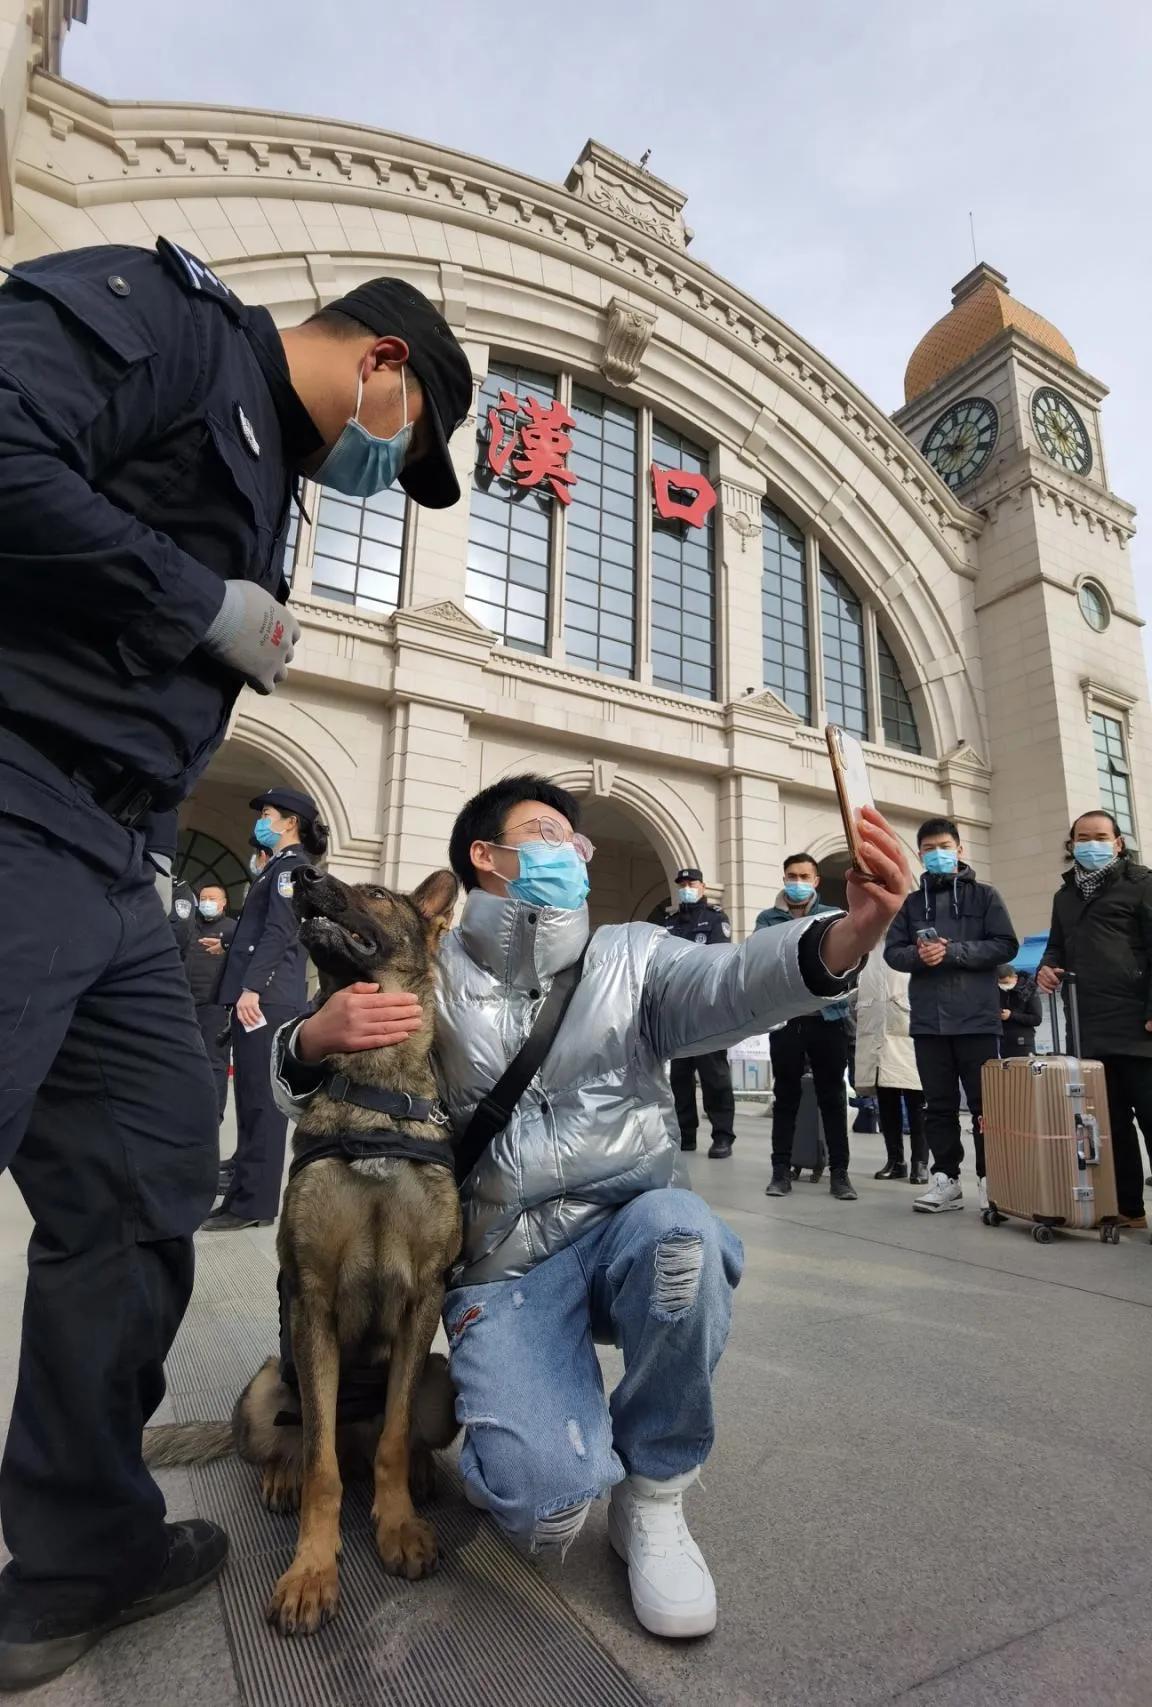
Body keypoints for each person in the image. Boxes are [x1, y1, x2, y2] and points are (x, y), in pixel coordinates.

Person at [0, 232, 471, 1688]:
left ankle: (84, 1552)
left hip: (114, 848)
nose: (394, 467)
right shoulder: (167, 324)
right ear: (384, 366)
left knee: (151, 1173)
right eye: (415, 439)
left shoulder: (273, 478)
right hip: (13, 785)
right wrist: (189, 595)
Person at [272, 776, 911, 1638]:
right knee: (539, 1504)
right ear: (484, 857)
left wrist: (846, 935)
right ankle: (567, 1435)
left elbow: (735, 980)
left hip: (622, 1234)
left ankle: (654, 1491)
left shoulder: (635, 957)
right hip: (507, 1270)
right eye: (542, 834)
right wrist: (309, 1038)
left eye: (577, 844)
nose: (567, 852)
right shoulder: (434, 973)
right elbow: (318, 1075)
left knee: (682, 1233)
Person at [205, 788, 327, 1233]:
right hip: (261, 996)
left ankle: (255, 1202)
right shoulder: (275, 867)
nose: (263, 820)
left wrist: (252, 987)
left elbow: (279, 931)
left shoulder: (290, 870)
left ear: (290, 822)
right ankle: (243, 1192)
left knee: (260, 1104)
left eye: (269, 814)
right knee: (251, 1099)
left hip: (267, 999)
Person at [885, 818, 1018, 1214]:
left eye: (944, 846)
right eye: (928, 848)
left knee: (985, 1106)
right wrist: (919, 956)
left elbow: (1005, 945)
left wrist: (955, 952)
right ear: (920, 854)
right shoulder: (911, 904)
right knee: (937, 1105)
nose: (937, 854)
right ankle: (946, 1179)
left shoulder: (985, 897)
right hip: (929, 1021)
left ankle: (992, 1179)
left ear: (960, 849)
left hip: (977, 1018)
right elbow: (894, 952)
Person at [1037, 810, 1152, 1231]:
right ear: (1071, 844)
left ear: (1118, 842)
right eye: (1082, 837)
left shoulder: (1142, 884)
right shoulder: (1065, 897)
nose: (1091, 843)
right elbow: (1055, 948)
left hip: (1139, 1025)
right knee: (1111, 1122)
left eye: (1100, 836)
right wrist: (1047, 968)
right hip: (1088, 1026)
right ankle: (1130, 1209)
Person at [756, 853, 857, 1201]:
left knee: (832, 1097)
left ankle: (840, 1174)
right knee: (785, 1097)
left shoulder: (832, 916)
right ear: (783, 878)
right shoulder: (767, 919)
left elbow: (846, 961)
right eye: (790, 875)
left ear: (815, 880)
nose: (796, 882)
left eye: (803, 876)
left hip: (827, 1019)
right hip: (786, 1020)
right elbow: (760, 961)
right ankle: (780, 1171)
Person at [663, 867, 737, 1159]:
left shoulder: (716, 919)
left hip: (706, 1008)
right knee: (679, 1077)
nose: (686, 887)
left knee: (714, 1074)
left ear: (703, 887)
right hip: (676, 1010)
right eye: (681, 883)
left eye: (691, 883)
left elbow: (718, 958)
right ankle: (686, 1134)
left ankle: (722, 1136)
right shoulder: (668, 923)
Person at [852, 947, 928, 1182]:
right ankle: (895, 1160)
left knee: (917, 1100)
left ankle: (920, 1162)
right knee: (886, 1102)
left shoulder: (912, 934)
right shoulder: (869, 940)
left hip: (908, 1027)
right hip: (875, 1028)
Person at [183, 883, 237, 1121]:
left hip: (215, 1006)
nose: (206, 902)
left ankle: (212, 1115)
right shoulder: (188, 928)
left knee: (214, 1061)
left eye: (212, 898)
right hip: (185, 1004)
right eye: (203, 898)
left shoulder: (232, 930)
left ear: (223, 902)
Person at [997, 964, 1042, 1058]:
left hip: (1023, 1043)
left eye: (1006, 982)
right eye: (1000, 983)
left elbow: (1036, 1019)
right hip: (1003, 1042)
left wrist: (1011, 1015)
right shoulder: (998, 991)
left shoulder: (1028, 990)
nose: (1003, 986)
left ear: (1015, 977)